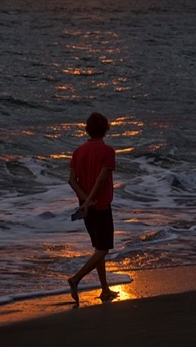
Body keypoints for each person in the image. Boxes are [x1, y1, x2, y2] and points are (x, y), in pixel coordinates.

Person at [68, 112, 118, 304]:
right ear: (106, 129)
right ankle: (76, 279)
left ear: (87, 129)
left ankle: (105, 288)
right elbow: (101, 178)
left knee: (98, 248)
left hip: (86, 206)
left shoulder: (78, 151)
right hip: (100, 205)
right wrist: (90, 200)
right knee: (103, 249)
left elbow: (71, 180)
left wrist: (85, 200)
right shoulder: (108, 152)